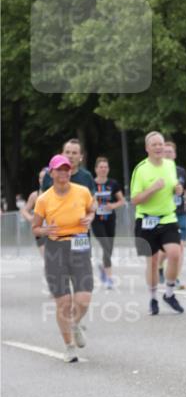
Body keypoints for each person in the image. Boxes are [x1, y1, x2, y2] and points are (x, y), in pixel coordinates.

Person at [31, 154, 96, 362]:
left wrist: (89, 218)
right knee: (64, 302)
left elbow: (91, 209)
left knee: (83, 300)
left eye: (67, 169)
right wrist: (45, 229)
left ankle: (74, 323)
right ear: (52, 173)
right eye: (59, 169)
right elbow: (35, 228)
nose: (64, 173)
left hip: (79, 245)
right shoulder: (43, 199)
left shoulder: (82, 192)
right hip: (55, 248)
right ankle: (69, 346)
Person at [130, 131, 185, 315]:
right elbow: (135, 200)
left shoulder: (170, 164)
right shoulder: (141, 169)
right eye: (154, 144)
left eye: (160, 144)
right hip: (146, 220)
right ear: (147, 148)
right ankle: (153, 298)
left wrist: (178, 189)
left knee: (175, 254)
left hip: (168, 217)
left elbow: (175, 187)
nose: (158, 147)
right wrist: (152, 189)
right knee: (152, 262)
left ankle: (169, 294)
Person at [162, 141, 186, 289]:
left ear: (174, 154)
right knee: (166, 249)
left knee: (179, 248)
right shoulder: (158, 171)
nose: (168, 154)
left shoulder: (181, 171)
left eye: (170, 152)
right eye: (165, 151)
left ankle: (175, 278)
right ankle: (161, 267)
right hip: (164, 215)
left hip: (180, 214)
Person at [91, 157, 125, 289]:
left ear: (108, 169)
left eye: (105, 167)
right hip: (96, 220)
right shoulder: (91, 184)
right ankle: (109, 278)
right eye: (101, 167)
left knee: (109, 248)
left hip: (110, 220)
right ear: (96, 169)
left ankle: (104, 271)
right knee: (105, 245)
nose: (103, 169)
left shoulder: (113, 183)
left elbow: (121, 201)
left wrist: (113, 205)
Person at [20, 167, 49, 258]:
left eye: (44, 178)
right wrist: (31, 218)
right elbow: (24, 210)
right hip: (40, 232)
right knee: (46, 258)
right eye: (40, 178)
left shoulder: (56, 193)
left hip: (54, 231)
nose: (42, 180)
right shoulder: (34, 195)